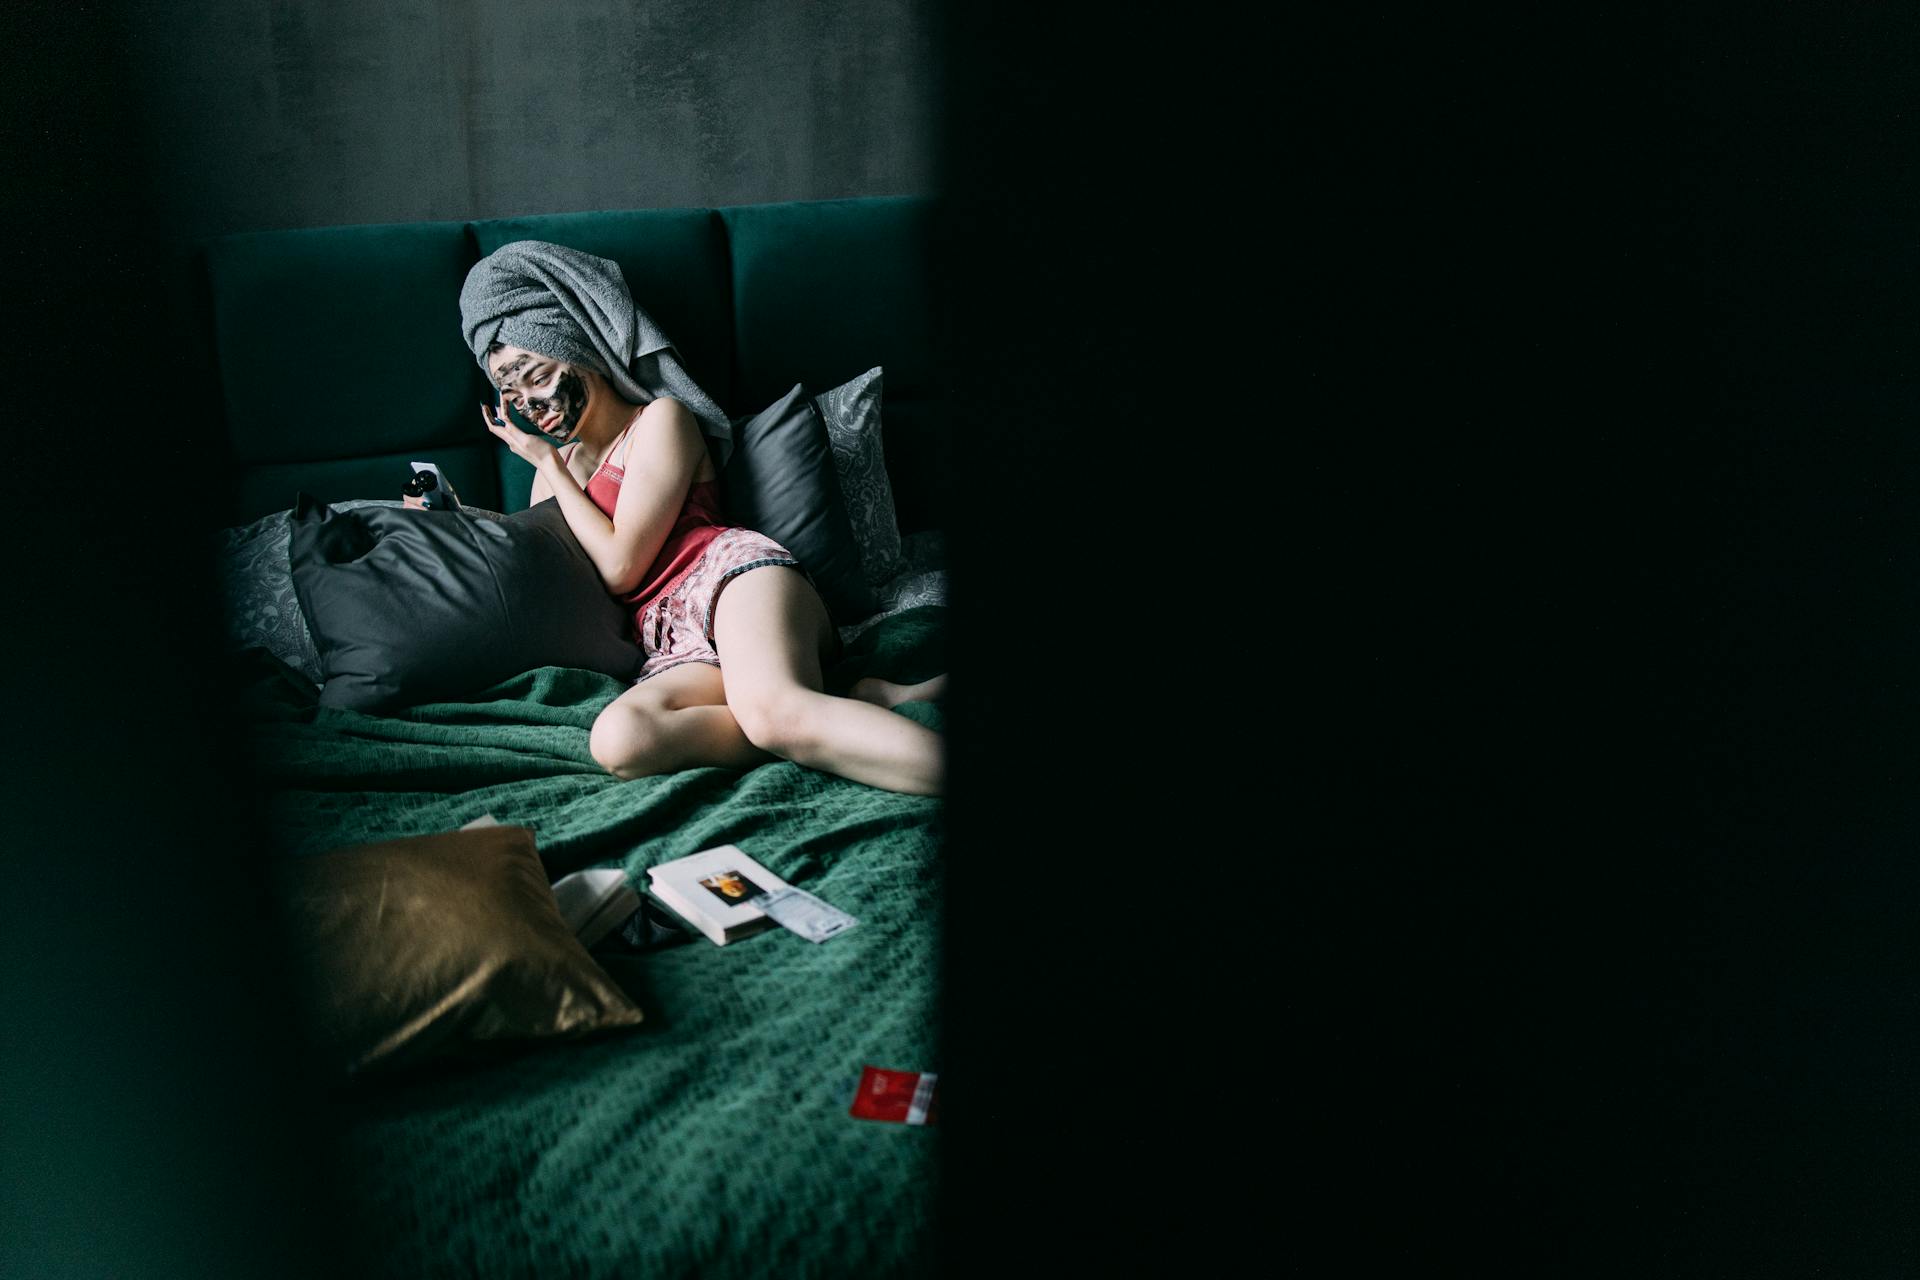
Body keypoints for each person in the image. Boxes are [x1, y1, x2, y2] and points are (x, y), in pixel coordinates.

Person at [447, 240, 946, 796]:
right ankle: (846, 697)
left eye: (535, 376)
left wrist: (547, 466)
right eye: (510, 391)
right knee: (621, 740)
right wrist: (450, 524)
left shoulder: (661, 420)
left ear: (579, 348)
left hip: (733, 581)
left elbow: (620, 568)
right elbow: (551, 577)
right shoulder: (553, 474)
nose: (528, 407)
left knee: (773, 714)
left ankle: (799, 706)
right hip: (668, 639)